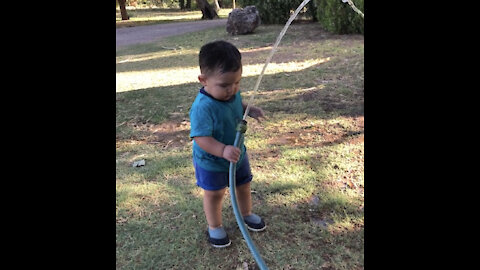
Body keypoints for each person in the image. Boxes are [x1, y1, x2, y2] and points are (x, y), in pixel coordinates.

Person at [189, 40, 266, 248]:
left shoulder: (230, 92)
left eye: (237, 83)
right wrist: (222, 150)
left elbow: (235, 104)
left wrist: (247, 108)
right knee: (215, 193)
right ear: (203, 80)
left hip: (238, 154)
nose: (232, 89)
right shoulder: (202, 108)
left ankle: (246, 213)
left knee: (243, 184)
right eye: (225, 85)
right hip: (211, 160)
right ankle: (214, 226)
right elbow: (200, 138)